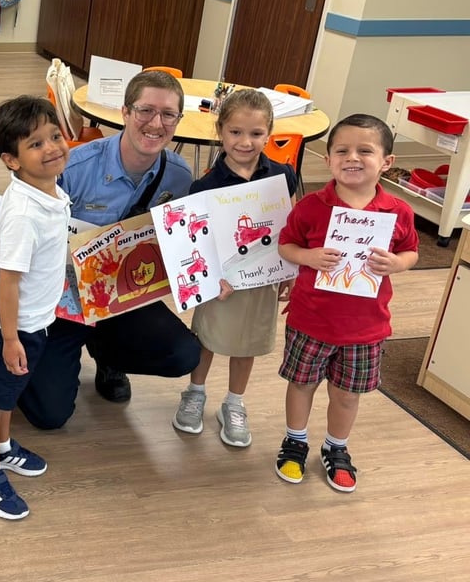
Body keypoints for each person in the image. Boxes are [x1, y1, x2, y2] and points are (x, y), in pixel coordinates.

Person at [0, 69, 201, 430]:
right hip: (61, 301)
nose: (156, 123)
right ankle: (49, 357)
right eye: (145, 111)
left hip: (121, 297)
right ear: (124, 112)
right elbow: (22, 216)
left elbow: (180, 241)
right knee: (49, 415)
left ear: (178, 120)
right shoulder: (73, 167)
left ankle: (108, 356)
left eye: (168, 114)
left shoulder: (179, 177)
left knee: (183, 354)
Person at [275, 113, 418, 493]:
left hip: (366, 327)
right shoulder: (311, 206)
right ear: (328, 159)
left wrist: (397, 264)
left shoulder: (398, 212)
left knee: (346, 393)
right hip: (311, 320)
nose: (352, 157)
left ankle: (336, 447)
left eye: (365, 151)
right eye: (342, 150)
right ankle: (295, 440)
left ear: (386, 162)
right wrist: (307, 257)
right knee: (301, 384)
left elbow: (411, 252)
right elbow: (286, 244)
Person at [172, 89, 298, 447]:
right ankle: (195, 393)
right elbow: (195, 240)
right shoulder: (205, 185)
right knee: (207, 337)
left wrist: (290, 270)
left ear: (269, 134)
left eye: (256, 134)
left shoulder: (283, 176)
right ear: (221, 131)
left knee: (247, 342)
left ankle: (234, 403)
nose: (245, 142)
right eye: (235, 132)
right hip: (221, 281)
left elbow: (289, 226)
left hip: (263, 279)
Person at [0, 97, 69, 520]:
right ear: (12, 160)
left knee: (10, 394)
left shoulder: (40, 190)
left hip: (33, 322)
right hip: (11, 328)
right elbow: (8, 282)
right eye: (36, 144)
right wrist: (10, 339)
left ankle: (4, 449)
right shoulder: (28, 212)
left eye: (55, 136)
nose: (53, 148)